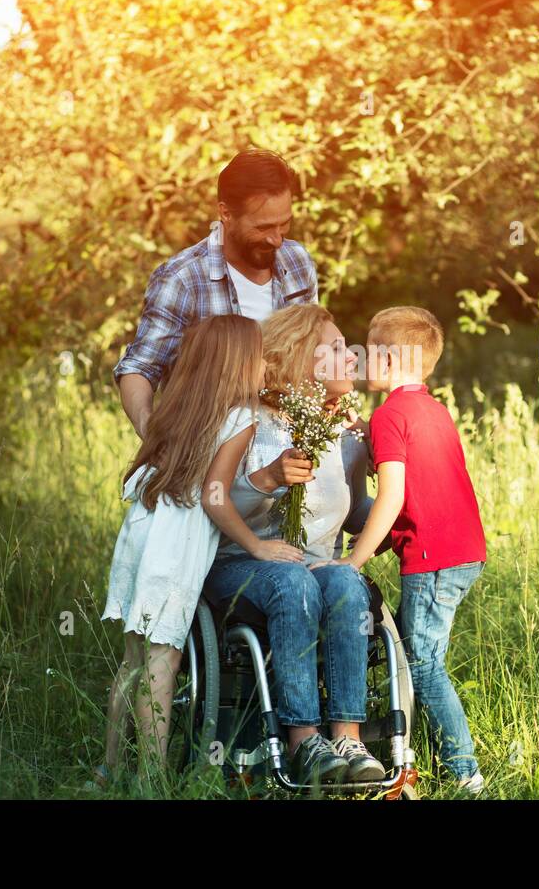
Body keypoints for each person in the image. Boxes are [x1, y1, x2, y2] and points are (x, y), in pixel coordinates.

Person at [95, 315, 305, 788]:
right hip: (177, 545)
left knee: (133, 659)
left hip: (142, 532)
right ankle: (151, 779)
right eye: (257, 355)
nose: (263, 364)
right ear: (239, 362)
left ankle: (108, 768)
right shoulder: (241, 417)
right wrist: (258, 546)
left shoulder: (179, 406)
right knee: (163, 661)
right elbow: (215, 496)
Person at [203, 303, 387, 784]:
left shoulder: (347, 433)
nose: (352, 358)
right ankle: (304, 741)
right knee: (291, 580)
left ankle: (348, 737)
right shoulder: (248, 419)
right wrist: (265, 479)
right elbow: (214, 503)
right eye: (336, 349)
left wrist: (404, 516)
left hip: (314, 569)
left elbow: (355, 514)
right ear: (300, 357)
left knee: (346, 578)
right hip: (241, 565)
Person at [315, 306, 487, 793]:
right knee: (425, 658)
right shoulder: (431, 410)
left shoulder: (390, 416)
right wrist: (363, 431)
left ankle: (465, 773)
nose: (358, 359)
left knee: (424, 665)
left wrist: (354, 560)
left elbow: (391, 497)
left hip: (434, 559)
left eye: (366, 352)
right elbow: (421, 488)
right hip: (463, 551)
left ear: (387, 360)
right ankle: (426, 752)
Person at [113, 148, 318, 440]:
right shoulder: (182, 279)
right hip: (208, 456)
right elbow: (140, 367)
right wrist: (152, 436)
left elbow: (309, 356)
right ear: (225, 213)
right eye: (263, 227)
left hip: (286, 455)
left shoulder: (298, 262)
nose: (276, 239)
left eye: (284, 224)